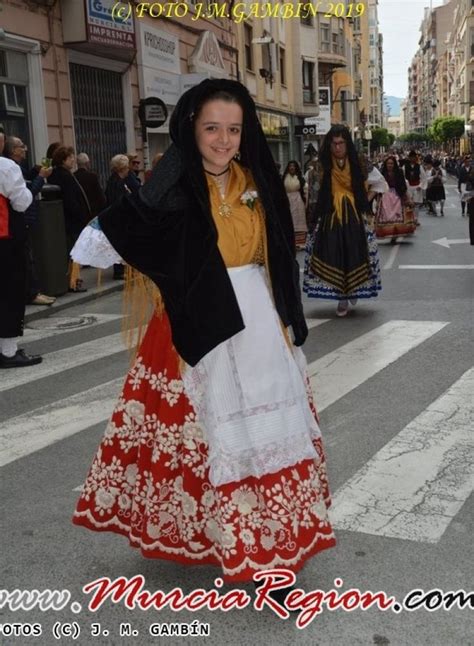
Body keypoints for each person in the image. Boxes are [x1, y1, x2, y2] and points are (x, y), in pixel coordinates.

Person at [71, 79, 335, 594]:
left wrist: (285, 320)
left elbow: (278, 256)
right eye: (212, 127)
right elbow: (118, 230)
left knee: (264, 434)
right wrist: (164, 176)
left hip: (257, 319)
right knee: (205, 439)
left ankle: (267, 549)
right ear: (192, 128)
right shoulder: (174, 184)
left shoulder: (256, 179)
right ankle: (226, 538)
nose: (223, 139)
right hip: (195, 320)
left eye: (233, 129)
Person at [303, 124, 382, 318]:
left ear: (347, 144)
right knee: (334, 255)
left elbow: (380, 184)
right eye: (334, 143)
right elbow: (313, 195)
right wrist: (312, 222)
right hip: (329, 215)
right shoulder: (319, 165)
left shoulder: (360, 162)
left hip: (355, 217)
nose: (338, 147)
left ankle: (352, 290)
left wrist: (363, 200)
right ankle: (342, 297)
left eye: (341, 143)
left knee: (356, 253)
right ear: (329, 145)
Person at [0, 128, 42, 368]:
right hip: (5, 239)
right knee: (10, 292)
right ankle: (7, 351)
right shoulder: (6, 167)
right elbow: (22, 201)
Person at [3, 136, 55, 305]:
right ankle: (31, 294)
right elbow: (26, 196)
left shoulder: (17, 167)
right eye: (21, 146)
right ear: (12, 150)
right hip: (17, 220)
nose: (25, 148)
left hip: (19, 220)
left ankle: (32, 292)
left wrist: (35, 172)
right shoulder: (9, 168)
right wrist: (41, 176)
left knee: (26, 256)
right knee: (24, 258)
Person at [49, 146, 91, 292]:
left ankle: (72, 280)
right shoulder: (64, 176)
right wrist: (80, 214)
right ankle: (73, 281)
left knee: (72, 253)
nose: (73, 159)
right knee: (74, 253)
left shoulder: (61, 174)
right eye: (70, 157)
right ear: (63, 160)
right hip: (72, 222)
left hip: (68, 221)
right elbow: (70, 200)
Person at [104, 154, 141, 279]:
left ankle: (123, 269)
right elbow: (119, 202)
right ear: (121, 168)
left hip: (119, 218)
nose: (128, 170)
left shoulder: (115, 180)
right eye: (126, 168)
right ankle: (120, 271)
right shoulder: (117, 183)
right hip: (119, 219)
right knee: (120, 245)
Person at [375, 155, 416, 242]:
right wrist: (378, 199)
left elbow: (403, 186)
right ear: (385, 164)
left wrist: (407, 198)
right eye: (388, 163)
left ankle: (395, 234)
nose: (390, 165)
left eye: (391, 163)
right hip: (385, 196)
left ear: (394, 164)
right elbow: (378, 186)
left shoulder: (399, 172)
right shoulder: (382, 173)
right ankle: (389, 232)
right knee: (387, 216)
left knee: (396, 215)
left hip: (397, 196)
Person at [282, 160, 307, 249]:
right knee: (289, 220)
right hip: (288, 200)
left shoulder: (300, 177)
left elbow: (305, 189)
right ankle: (290, 243)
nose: (292, 168)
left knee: (299, 220)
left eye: (293, 166)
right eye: (290, 166)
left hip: (298, 199)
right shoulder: (284, 177)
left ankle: (300, 243)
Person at [74, 153, 106, 218]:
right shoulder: (92, 176)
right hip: (92, 212)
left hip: (79, 212)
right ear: (87, 163)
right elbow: (100, 196)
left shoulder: (73, 176)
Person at [403, 150, 426, 225]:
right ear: (409, 158)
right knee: (409, 203)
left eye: (414, 157)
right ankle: (409, 218)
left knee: (416, 204)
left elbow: (423, 178)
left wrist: (420, 186)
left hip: (417, 186)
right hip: (408, 186)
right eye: (411, 157)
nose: (412, 159)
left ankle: (416, 219)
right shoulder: (405, 167)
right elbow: (402, 177)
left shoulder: (419, 167)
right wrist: (405, 186)